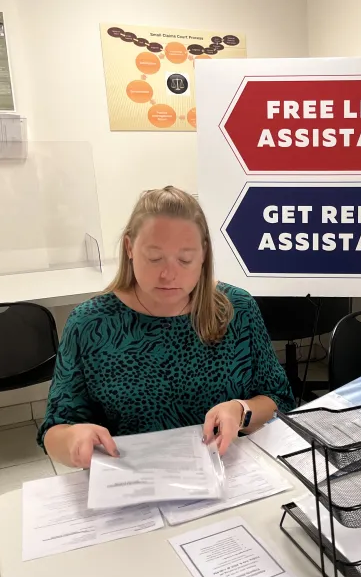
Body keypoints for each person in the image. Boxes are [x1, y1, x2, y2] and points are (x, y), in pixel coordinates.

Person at [38, 186, 294, 468]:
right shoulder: (90, 324)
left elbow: (278, 398)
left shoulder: (237, 309)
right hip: (134, 483)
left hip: (226, 475)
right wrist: (73, 439)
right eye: (154, 257)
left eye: (185, 259)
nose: (169, 274)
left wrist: (240, 409)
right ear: (129, 248)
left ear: (204, 254)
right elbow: (54, 430)